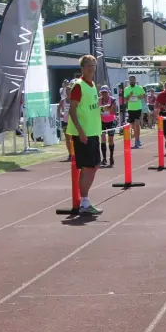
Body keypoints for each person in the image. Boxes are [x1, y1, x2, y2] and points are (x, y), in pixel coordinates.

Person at [66, 55, 103, 215]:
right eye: (88, 65)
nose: (91, 68)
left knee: (94, 165)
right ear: (82, 68)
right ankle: (84, 203)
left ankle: (85, 201)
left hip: (93, 131)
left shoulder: (92, 85)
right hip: (84, 133)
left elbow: (89, 107)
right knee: (88, 167)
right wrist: (80, 131)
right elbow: (72, 110)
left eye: (93, 65)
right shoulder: (78, 86)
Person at [124, 75, 145, 149]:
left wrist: (141, 97)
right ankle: (136, 136)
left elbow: (145, 96)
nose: (132, 81)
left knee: (137, 125)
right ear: (129, 81)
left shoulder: (139, 88)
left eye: (133, 80)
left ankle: (137, 140)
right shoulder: (126, 89)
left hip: (138, 108)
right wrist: (129, 95)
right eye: (130, 80)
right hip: (130, 109)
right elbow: (125, 100)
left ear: (135, 80)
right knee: (133, 126)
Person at [99, 85, 117, 167]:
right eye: (102, 92)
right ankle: (104, 158)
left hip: (111, 121)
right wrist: (102, 109)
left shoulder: (112, 100)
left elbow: (114, 112)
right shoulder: (98, 100)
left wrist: (108, 109)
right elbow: (96, 111)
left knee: (110, 139)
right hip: (102, 121)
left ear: (108, 92)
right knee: (103, 139)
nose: (104, 94)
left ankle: (111, 157)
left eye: (105, 92)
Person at [57, 84, 72, 161]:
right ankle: (70, 154)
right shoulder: (63, 100)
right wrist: (59, 114)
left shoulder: (74, 100)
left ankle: (74, 153)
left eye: (69, 91)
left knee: (73, 138)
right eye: (66, 91)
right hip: (65, 121)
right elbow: (58, 107)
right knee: (67, 138)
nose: (68, 92)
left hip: (73, 122)